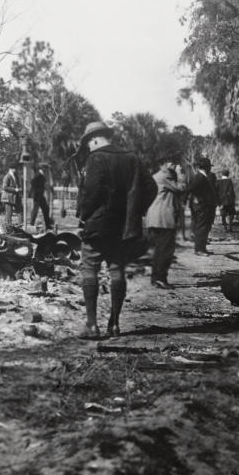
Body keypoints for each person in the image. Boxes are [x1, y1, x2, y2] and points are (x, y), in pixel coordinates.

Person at [76, 121, 156, 339]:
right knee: (116, 269)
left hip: (97, 226)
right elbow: (151, 187)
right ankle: (114, 324)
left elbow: (91, 192)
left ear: (94, 139)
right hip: (122, 228)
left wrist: (84, 215)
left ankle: (92, 325)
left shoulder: (96, 158)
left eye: (88, 144)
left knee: (90, 268)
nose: (88, 148)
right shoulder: (132, 158)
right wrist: (134, 212)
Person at [144, 155, 187, 290]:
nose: (174, 166)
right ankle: (160, 278)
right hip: (163, 219)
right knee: (166, 250)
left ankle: (156, 278)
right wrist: (180, 174)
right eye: (172, 163)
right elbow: (181, 188)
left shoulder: (157, 176)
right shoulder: (165, 176)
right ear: (163, 164)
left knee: (159, 250)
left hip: (156, 218)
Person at [187, 156, 218, 255]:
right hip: (201, 207)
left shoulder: (201, 176)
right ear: (207, 167)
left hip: (204, 206)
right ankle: (199, 250)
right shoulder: (200, 177)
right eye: (209, 167)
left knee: (204, 227)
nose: (210, 169)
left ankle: (202, 248)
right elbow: (191, 188)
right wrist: (198, 199)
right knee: (201, 227)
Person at [0, 163, 20, 230]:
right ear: (11, 169)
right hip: (8, 197)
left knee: (18, 211)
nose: (15, 170)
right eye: (14, 169)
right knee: (8, 213)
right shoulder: (7, 176)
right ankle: (7, 227)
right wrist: (14, 189)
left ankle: (16, 225)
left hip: (13, 197)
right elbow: (4, 187)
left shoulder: (14, 175)